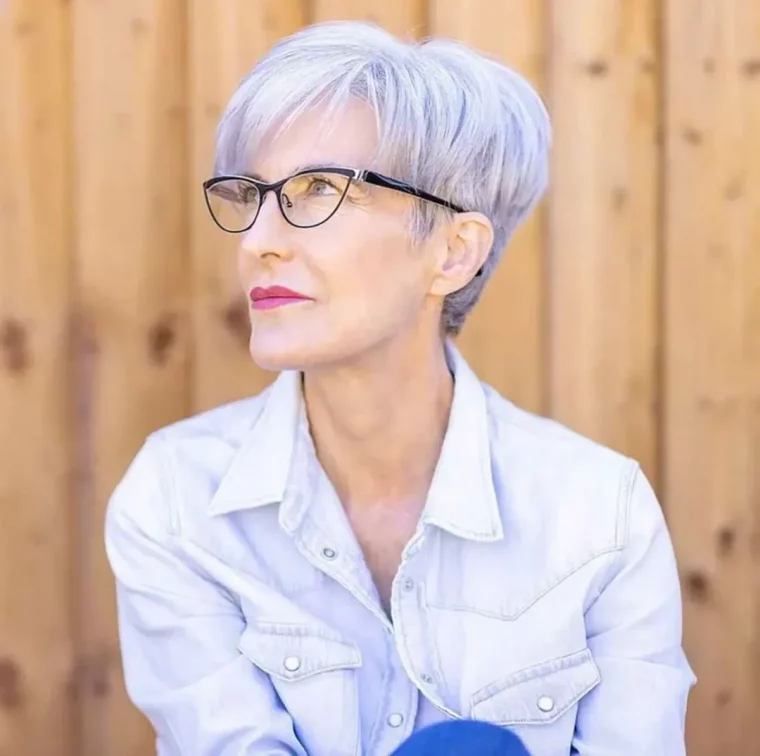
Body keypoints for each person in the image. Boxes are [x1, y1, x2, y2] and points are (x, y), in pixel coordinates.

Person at [105, 20, 696, 756]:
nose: (257, 240)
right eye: (249, 195)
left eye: (316, 189)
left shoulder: (601, 517)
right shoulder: (175, 502)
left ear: (454, 251)